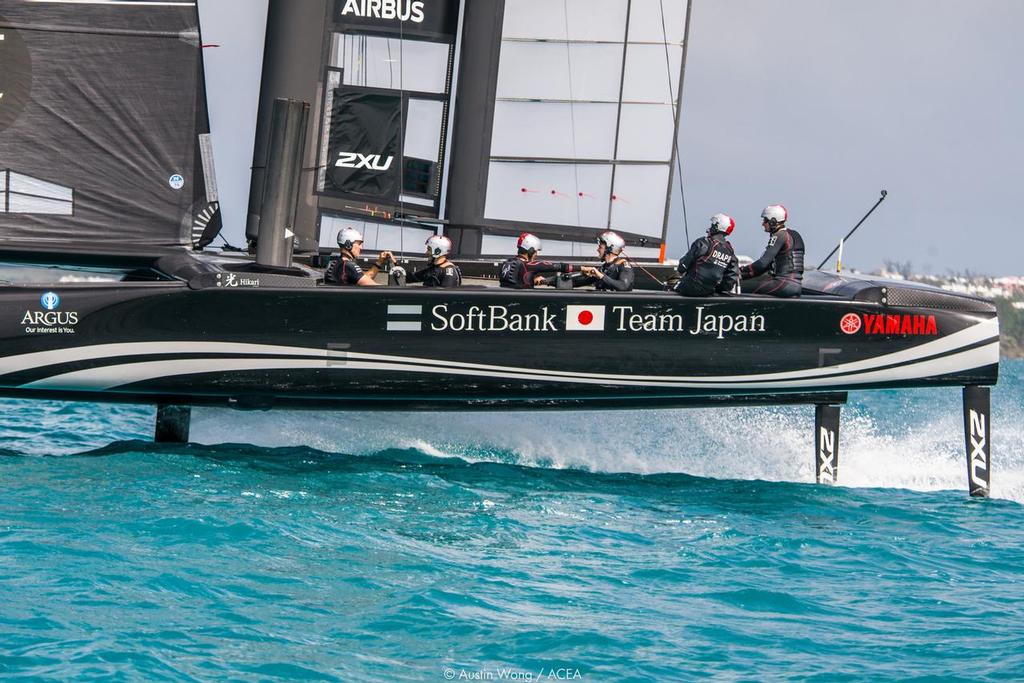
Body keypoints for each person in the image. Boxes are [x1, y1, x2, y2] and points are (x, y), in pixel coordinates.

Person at [741, 204, 804, 297]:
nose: (763, 224)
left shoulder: (779, 236)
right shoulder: (794, 234)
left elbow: (762, 264)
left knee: (738, 286)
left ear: (773, 221)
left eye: (765, 220)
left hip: (782, 284)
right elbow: (765, 267)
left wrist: (739, 271)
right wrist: (743, 275)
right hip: (796, 286)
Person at [674, 213, 739, 296]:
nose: (710, 228)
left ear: (717, 227)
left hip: (688, 289)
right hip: (709, 292)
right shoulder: (730, 251)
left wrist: (679, 273)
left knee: (670, 283)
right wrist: (718, 290)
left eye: (712, 225)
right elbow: (732, 277)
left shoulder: (703, 242)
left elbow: (682, 266)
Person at [498, 232, 575, 288]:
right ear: (531, 251)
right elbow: (560, 267)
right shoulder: (527, 265)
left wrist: (533, 281)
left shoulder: (506, 264)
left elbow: (516, 282)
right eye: (536, 252)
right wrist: (582, 268)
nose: (536, 255)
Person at [324, 227, 394, 286]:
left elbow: (365, 277)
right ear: (348, 245)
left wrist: (379, 262)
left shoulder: (339, 263)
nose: (361, 247)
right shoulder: (348, 266)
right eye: (359, 244)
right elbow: (375, 287)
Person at [393, 235, 462, 288]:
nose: (426, 253)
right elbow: (410, 277)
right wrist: (394, 262)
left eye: (429, 249)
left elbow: (446, 297)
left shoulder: (449, 271)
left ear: (438, 251)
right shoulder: (433, 269)